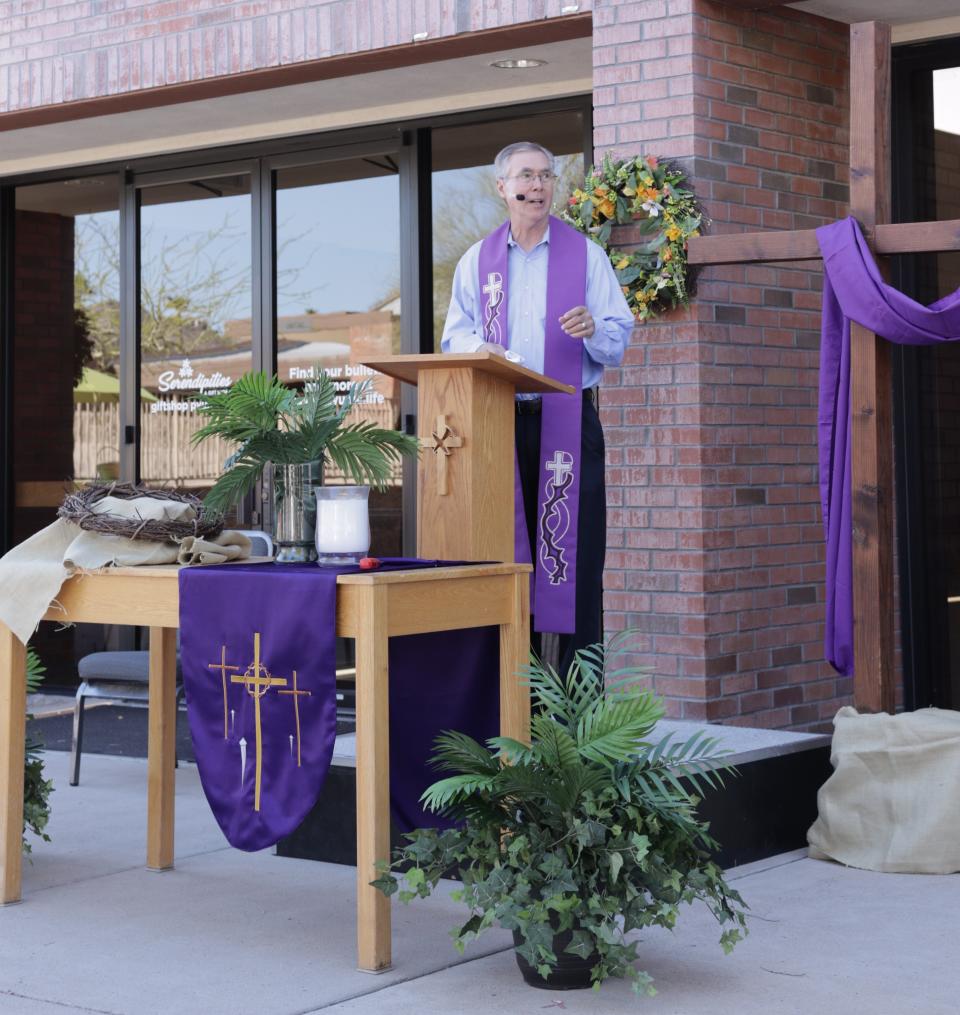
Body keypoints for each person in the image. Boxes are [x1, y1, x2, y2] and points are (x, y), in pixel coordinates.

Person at [441, 141, 634, 674]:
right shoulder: (476, 261)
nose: (539, 185)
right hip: (498, 427)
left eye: (548, 175)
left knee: (577, 559)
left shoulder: (584, 256)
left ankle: (580, 720)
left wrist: (594, 329)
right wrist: (480, 351)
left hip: (569, 425)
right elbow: (453, 338)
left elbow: (618, 337)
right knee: (504, 559)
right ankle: (512, 709)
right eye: (527, 175)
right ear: (502, 187)